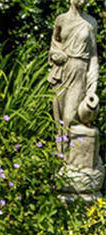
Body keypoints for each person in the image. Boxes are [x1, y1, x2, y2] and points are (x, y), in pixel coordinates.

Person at [48, 0, 99, 137]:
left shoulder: (91, 22)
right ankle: (61, 156)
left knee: (69, 118)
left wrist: (92, 85)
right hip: (61, 72)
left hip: (79, 72)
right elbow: (54, 45)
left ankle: (73, 154)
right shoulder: (61, 20)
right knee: (58, 119)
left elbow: (93, 56)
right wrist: (55, 54)